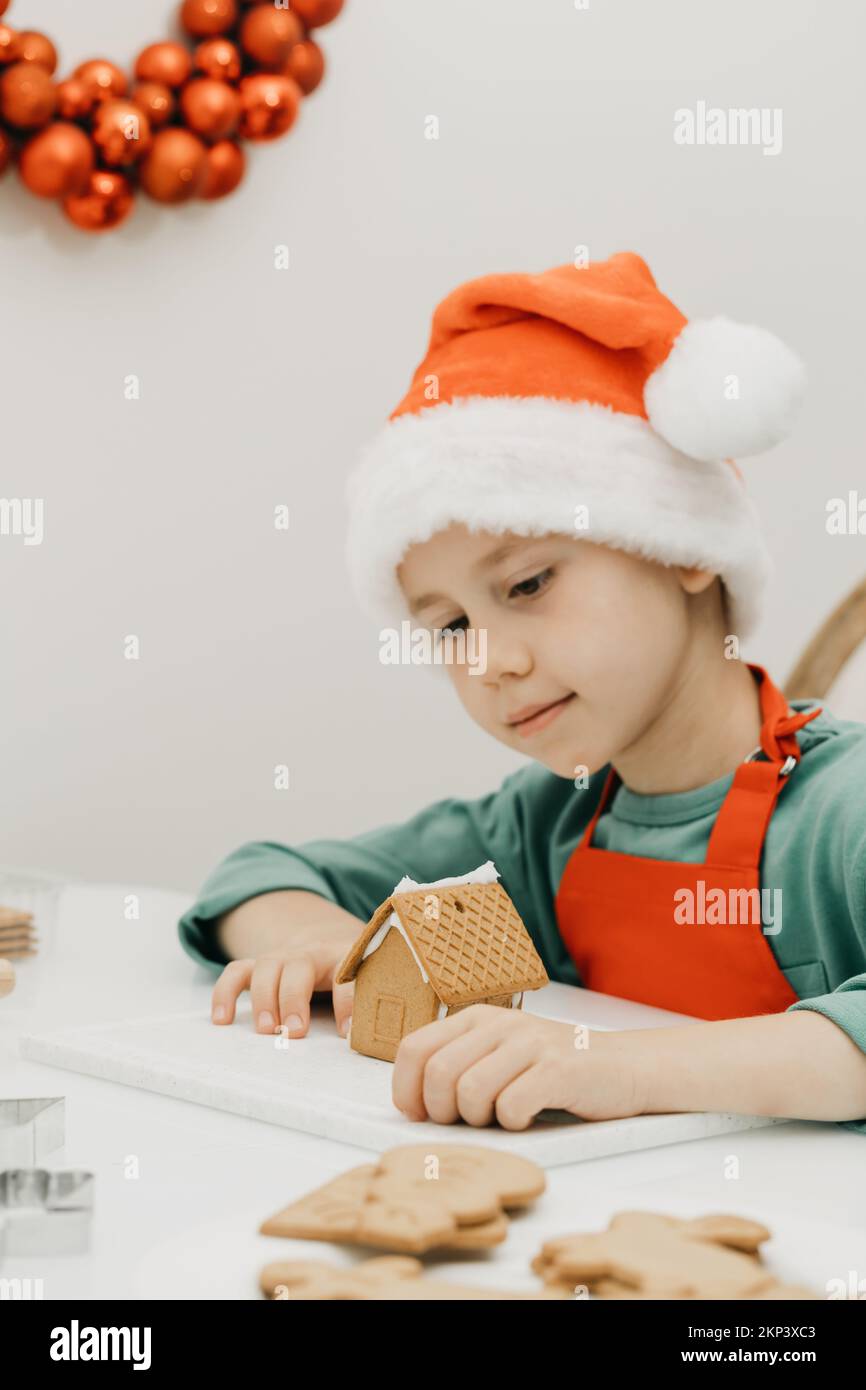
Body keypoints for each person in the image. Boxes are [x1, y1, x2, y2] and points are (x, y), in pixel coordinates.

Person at [178, 252, 866, 1134]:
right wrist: (310, 940)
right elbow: (259, 874)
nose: (490, 662)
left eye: (530, 584)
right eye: (451, 625)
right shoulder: (543, 829)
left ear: (685, 544)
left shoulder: (841, 815)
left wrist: (619, 1069)